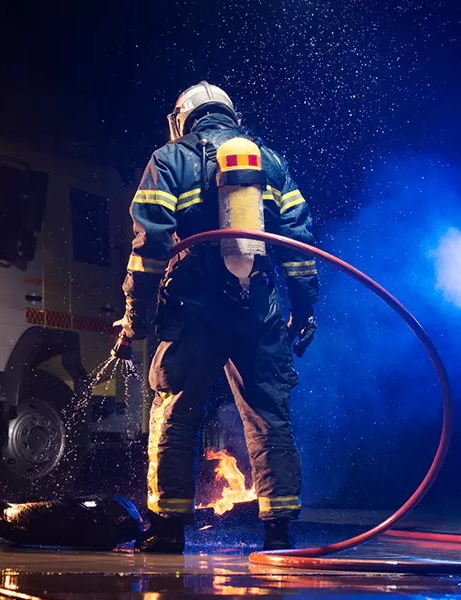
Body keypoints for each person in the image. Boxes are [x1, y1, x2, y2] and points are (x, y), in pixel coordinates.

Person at [115, 81, 319, 553]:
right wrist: (304, 312)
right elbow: (298, 246)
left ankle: (168, 530)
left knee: (177, 414)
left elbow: (149, 248)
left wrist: (136, 318)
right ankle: (279, 532)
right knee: (269, 417)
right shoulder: (271, 162)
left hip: (194, 308)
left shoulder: (170, 159)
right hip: (259, 308)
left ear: (182, 120)